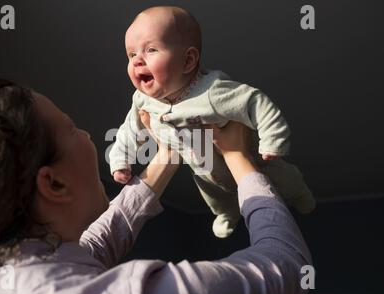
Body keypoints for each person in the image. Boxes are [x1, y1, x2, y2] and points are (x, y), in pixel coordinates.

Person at [0, 78, 311, 294]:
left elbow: (91, 249)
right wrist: (237, 157)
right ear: (53, 182)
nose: (86, 134)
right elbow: (288, 268)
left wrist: (167, 153)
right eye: (71, 129)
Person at [109, 6, 315, 238]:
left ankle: (300, 194)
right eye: (131, 54)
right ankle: (228, 214)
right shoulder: (142, 100)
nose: (137, 61)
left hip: (252, 160)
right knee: (215, 197)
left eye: (151, 50)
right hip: (204, 167)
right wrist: (121, 159)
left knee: (281, 180)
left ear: (188, 61)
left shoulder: (211, 92)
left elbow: (254, 102)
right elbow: (129, 129)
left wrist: (272, 139)